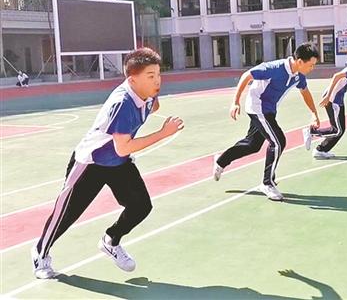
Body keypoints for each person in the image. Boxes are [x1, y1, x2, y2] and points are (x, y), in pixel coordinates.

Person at [32, 48, 183, 279]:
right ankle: (40, 254)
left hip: (118, 161)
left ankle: (110, 241)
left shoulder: (147, 94)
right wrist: (163, 133)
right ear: (132, 80)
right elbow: (124, 147)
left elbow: (154, 107)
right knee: (66, 214)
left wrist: (152, 92)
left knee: (141, 205)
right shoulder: (122, 103)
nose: (157, 80)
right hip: (91, 162)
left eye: (158, 74)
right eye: (151, 76)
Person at [212, 43, 321, 202]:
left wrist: (314, 113)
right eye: (311, 65)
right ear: (299, 61)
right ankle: (267, 183)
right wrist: (235, 102)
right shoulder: (274, 68)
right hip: (257, 107)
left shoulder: (299, 75)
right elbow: (247, 75)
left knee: (252, 145)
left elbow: (305, 92)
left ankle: (221, 160)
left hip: (269, 110)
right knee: (278, 142)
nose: (312, 68)